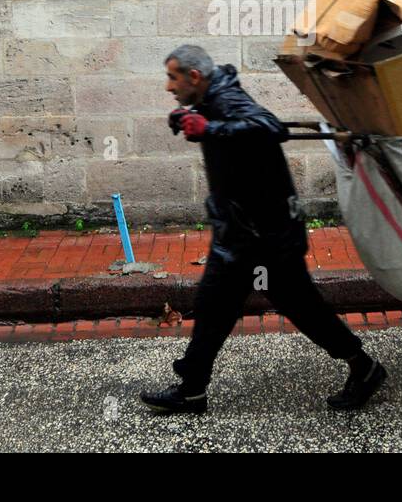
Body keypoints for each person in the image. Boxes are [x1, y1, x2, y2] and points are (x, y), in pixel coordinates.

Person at [140, 44, 387, 414]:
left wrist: (210, 127)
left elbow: (268, 126)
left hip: (267, 240)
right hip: (242, 235)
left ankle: (363, 367)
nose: (168, 87)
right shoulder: (211, 98)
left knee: (302, 309)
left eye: (172, 78)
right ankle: (192, 389)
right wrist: (189, 117)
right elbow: (226, 134)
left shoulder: (227, 101)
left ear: (194, 77)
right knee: (213, 308)